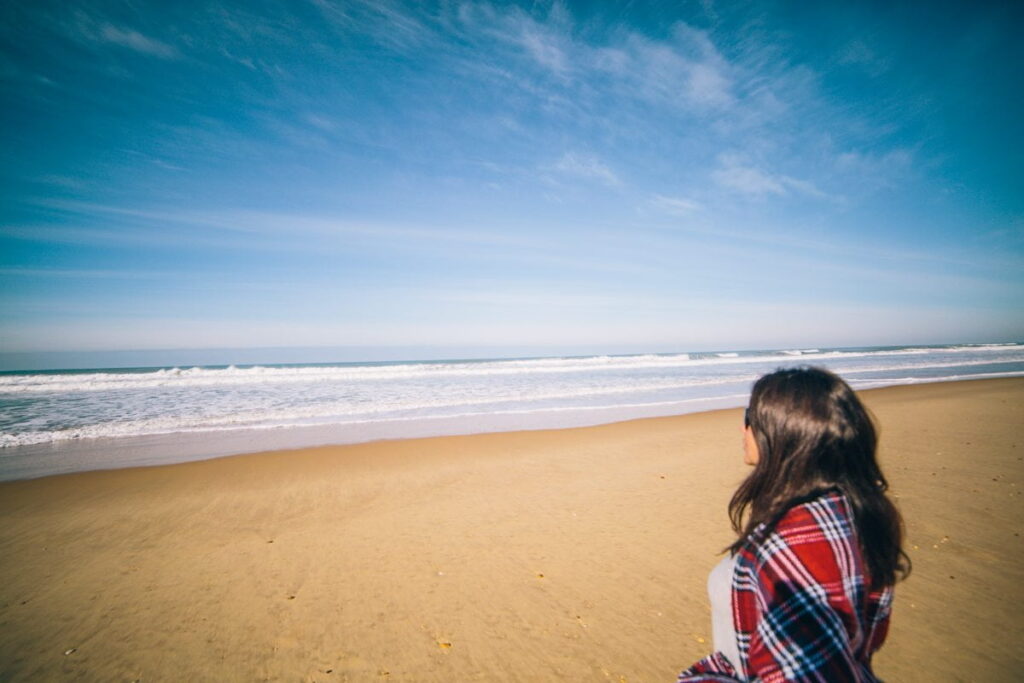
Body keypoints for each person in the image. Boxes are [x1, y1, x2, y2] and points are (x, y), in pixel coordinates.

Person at [678, 366, 910, 682]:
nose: (743, 429)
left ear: (782, 432)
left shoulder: (796, 539)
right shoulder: (855, 513)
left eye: (750, 418)